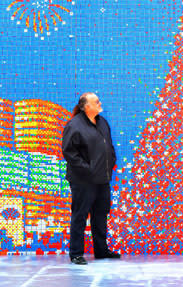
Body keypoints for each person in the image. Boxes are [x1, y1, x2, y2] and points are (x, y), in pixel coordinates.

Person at [62, 92, 121, 265]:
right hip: (83, 180)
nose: (100, 103)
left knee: (100, 214)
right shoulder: (74, 125)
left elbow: (108, 145)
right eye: (96, 102)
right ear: (86, 106)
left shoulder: (102, 122)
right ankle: (76, 253)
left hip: (102, 179)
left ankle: (101, 250)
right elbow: (69, 152)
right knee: (80, 215)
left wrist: (111, 162)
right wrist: (87, 170)